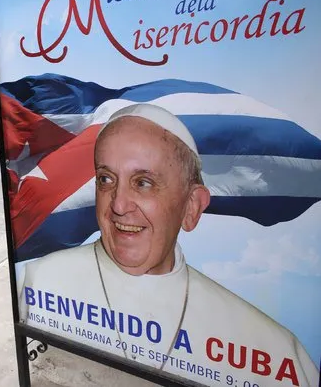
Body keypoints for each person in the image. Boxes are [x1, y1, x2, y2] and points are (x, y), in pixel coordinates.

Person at [18, 104, 319, 387]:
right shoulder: (45, 280)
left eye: (143, 183)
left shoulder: (275, 350)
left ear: (191, 207)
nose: (119, 205)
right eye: (106, 179)